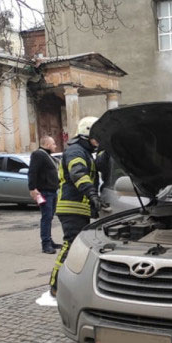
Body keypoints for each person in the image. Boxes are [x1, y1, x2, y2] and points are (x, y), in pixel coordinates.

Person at [49, 116, 105, 296]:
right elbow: (78, 174)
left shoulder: (84, 151)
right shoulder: (75, 151)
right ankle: (55, 285)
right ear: (86, 135)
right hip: (72, 207)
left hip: (78, 207)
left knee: (76, 246)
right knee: (71, 245)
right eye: (96, 138)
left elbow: (97, 168)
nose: (97, 142)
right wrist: (92, 194)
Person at [28, 135, 60, 254]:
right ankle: (45, 244)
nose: (55, 146)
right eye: (53, 144)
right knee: (46, 217)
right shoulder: (38, 154)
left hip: (52, 191)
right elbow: (32, 172)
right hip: (44, 191)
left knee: (50, 216)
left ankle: (49, 240)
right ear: (47, 145)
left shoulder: (47, 156)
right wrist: (32, 188)